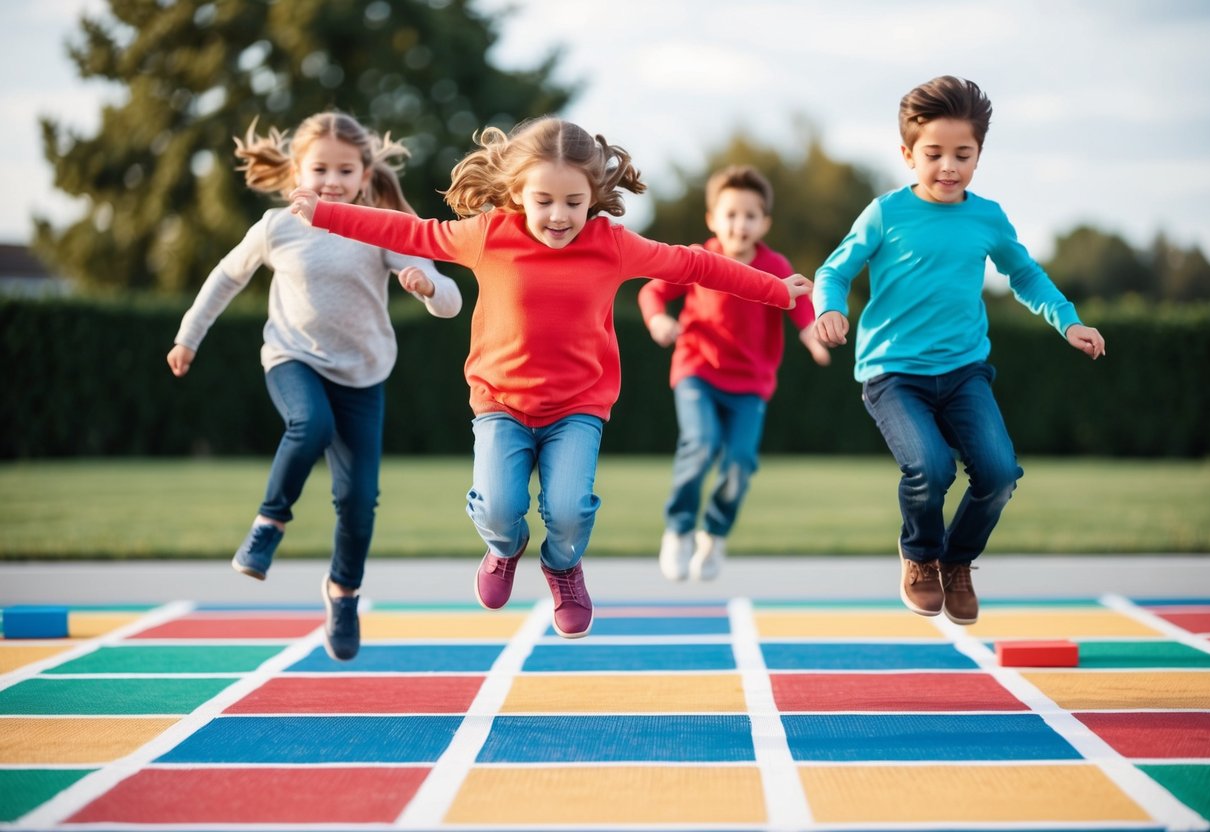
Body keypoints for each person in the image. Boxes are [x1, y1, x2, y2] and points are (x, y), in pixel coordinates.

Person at [287, 116, 811, 639]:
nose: (559, 216)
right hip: (500, 404)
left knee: (568, 512)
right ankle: (504, 549)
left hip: (578, 408)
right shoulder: (487, 235)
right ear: (517, 192)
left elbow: (696, 266)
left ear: (593, 196)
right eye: (543, 201)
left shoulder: (613, 245)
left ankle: (563, 568)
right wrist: (327, 213)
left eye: (573, 203)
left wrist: (776, 290)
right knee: (498, 507)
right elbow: (409, 231)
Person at [166, 112, 462, 660]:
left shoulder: (379, 228)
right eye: (319, 168)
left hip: (363, 373)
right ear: (296, 172)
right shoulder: (277, 228)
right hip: (292, 356)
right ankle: (269, 522)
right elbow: (225, 279)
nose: (331, 180)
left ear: (364, 175)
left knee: (358, 502)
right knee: (309, 423)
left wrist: (425, 286)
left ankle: (342, 593)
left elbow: (449, 300)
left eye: (344, 170)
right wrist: (189, 336)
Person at [812, 76, 1105, 625]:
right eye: (934, 154)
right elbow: (835, 269)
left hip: (965, 372)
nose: (949, 166)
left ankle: (958, 561)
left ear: (979, 155)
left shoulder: (987, 218)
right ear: (907, 154)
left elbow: (1026, 275)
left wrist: (1068, 321)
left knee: (998, 474)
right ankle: (920, 556)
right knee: (930, 467)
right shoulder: (885, 214)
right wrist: (829, 307)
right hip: (893, 375)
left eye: (963, 154)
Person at [639, 165, 830, 583]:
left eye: (750, 216)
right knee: (701, 443)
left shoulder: (774, 264)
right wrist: (657, 321)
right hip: (697, 370)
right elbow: (652, 290)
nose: (739, 225)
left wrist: (813, 334)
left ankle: (715, 533)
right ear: (712, 219)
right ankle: (679, 527)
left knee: (740, 461)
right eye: (730, 214)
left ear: (764, 223)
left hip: (750, 384)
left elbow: (798, 303)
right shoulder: (697, 258)